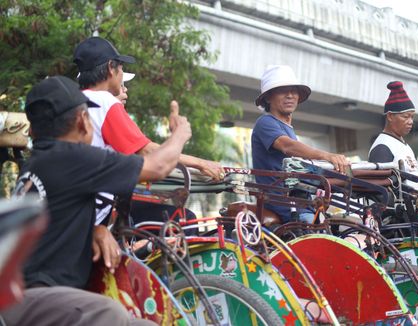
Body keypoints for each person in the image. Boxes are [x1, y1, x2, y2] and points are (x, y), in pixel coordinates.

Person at [0, 76, 191, 325]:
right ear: (82, 121)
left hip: (32, 297)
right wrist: (180, 134)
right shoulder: (73, 158)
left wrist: (95, 229)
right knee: (107, 313)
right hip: (34, 296)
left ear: (33, 129)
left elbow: (56, 219)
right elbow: (158, 166)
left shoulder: (38, 163)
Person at [73, 36, 223, 226]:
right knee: (184, 220)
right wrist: (201, 163)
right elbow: (146, 151)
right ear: (111, 68)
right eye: (121, 68)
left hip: (77, 204)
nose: (122, 76)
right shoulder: (105, 102)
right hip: (98, 209)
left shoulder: (74, 100)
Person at [251, 65, 349, 223]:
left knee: (347, 225)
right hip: (283, 203)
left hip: (300, 201)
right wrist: (327, 156)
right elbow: (287, 146)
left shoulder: (287, 128)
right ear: (268, 97)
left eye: (293, 91)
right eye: (283, 91)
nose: (290, 95)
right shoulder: (265, 122)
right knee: (321, 236)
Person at [368, 81, 418, 177]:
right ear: (390, 116)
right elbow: (381, 186)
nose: (410, 121)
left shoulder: (402, 144)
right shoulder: (382, 147)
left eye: (412, 117)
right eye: (405, 117)